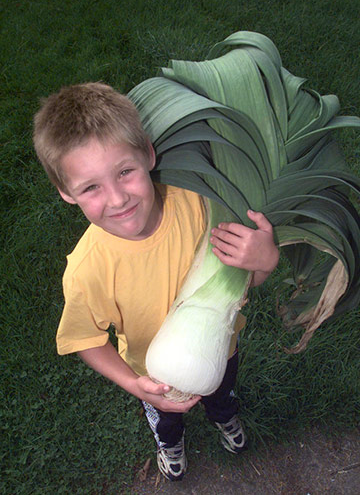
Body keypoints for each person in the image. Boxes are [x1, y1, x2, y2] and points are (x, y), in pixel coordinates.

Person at [33, 82, 279, 481]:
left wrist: (265, 261)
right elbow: (85, 340)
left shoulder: (200, 205)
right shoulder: (87, 270)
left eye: (125, 172)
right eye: (91, 187)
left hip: (223, 347)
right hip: (153, 375)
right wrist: (134, 383)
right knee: (166, 418)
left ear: (148, 153)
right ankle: (170, 444)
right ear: (66, 193)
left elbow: (240, 286)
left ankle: (224, 417)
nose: (117, 199)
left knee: (221, 392)